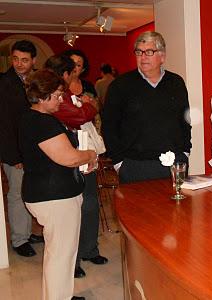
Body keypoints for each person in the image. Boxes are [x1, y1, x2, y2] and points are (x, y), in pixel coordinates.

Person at [20, 68, 97, 300]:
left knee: (61, 253)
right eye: (56, 95)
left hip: (47, 193)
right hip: (54, 197)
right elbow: (68, 157)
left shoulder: (31, 118)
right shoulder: (42, 123)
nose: (60, 99)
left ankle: (62, 295)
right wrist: (90, 154)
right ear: (42, 97)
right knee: (60, 255)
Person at [46, 53, 108, 279]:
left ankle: (89, 249)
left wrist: (88, 107)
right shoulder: (52, 96)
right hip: (66, 158)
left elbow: (84, 113)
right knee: (72, 212)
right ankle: (74, 261)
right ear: (64, 73)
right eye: (72, 71)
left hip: (83, 155)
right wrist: (89, 105)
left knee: (90, 203)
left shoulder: (66, 92)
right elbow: (79, 116)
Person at [102, 31, 192, 183]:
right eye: (139, 52)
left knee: (176, 207)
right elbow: (109, 126)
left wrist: (185, 152)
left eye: (149, 52)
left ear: (162, 56)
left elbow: (185, 119)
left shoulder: (176, 82)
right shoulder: (120, 85)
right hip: (134, 165)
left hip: (173, 162)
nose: (143, 57)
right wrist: (119, 163)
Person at [0, 40, 44, 257]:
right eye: (15, 59)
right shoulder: (3, 82)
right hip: (14, 151)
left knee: (33, 191)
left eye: (24, 60)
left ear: (33, 61)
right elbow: (4, 124)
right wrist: (13, 155)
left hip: (38, 149)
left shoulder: (38, 80)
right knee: (17, 194)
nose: (18, 64)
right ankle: (19, 239)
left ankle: (29, 232)